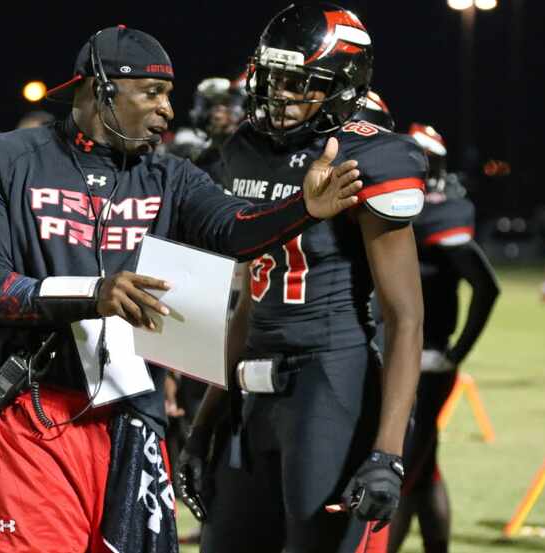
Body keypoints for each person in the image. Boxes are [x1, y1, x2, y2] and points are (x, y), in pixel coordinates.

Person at [0, 24, 363, 553]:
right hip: (31, 413)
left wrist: (301, 208)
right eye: (152, 93)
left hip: (132, 418)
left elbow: (235, 227)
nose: (168, 110)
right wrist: (93, 293)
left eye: (168, 94)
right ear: (100, 89)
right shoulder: (6, 160)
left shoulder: (171, 176)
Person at [176, 4, 427, 552]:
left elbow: (404, 318)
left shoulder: (369, 156)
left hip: (329, 382)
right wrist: (203, 425)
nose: (281, 94)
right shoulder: (244, 149)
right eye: (274, 78)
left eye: (300, 83)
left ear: (342, 84)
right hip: (251, 385)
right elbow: (246, 301)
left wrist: (387, 453)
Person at [387, 123, 500, 553]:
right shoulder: (399, 207)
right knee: (423, 469)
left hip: (424, 360)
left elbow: (486, 286)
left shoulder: (442, 212)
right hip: (397, 353)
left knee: (398, 469)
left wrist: (456, 351)